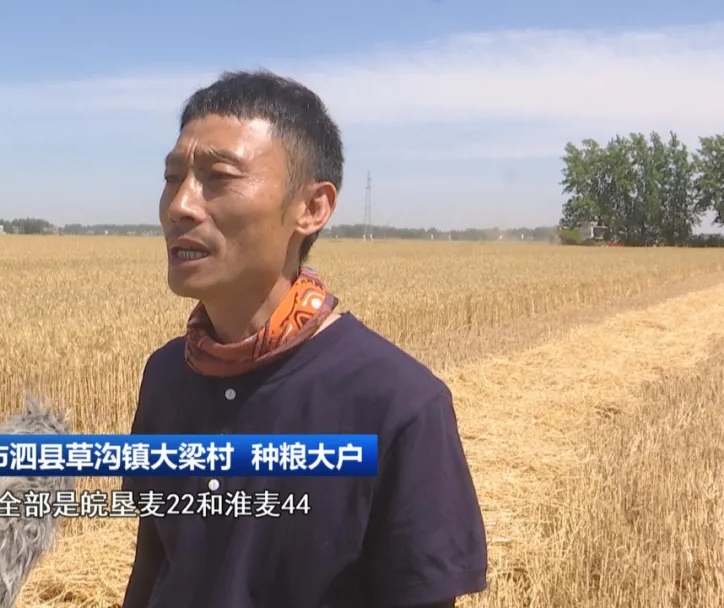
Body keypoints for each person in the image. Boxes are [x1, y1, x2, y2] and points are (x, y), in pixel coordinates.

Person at [121, 70, 488, 608]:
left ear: (312, 208)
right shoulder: (168, 375)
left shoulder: (399, 405)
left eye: (218, 177)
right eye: (173, 177)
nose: (180, 205)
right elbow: (154, 564)